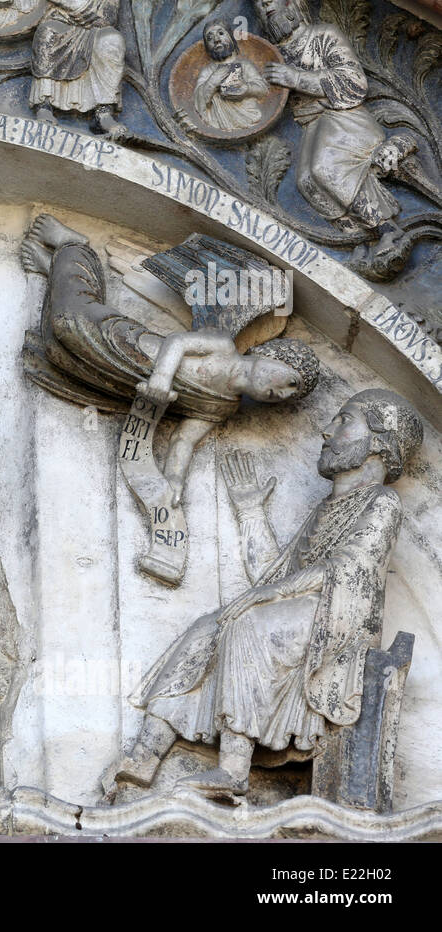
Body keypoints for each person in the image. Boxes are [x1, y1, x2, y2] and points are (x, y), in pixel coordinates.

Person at [102, 389, 422, 800]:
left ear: (379, 442)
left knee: (250, 623)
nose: (327, 431)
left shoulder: (382, 502)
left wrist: (260, 599)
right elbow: (274, 575)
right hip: (303, 613)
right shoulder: (323, 509)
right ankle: (145, 756)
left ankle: (233, 769)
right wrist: (251, 512)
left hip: (336, 624)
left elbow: (351, 566)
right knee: (207, 627)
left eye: (345, 420)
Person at [21, 213, 319, 506]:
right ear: (273, 355)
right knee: (69, 320)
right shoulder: (223, 346)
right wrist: (162, 378)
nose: (281, 394)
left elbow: (184, 441)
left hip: (118, 377)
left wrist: (174, 478)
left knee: (57, 352)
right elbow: (178, 342)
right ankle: (75, 247)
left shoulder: (220, 407)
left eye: (288, 396)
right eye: (291, 381)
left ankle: (55, 272)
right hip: (126, 343)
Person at [254, 0, 403, 252]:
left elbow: (354, 82)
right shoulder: (272, 56)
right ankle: (358, 238)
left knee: (325, 169)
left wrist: (297, 78)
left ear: (291, 3)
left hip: (346, 119)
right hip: (312, 125)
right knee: (305, 182)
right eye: (258, 2)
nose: (266, 3)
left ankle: (388, 229)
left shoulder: (322, 35)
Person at [29, 0, 125, 135]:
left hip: (94, 28)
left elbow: (109, 16)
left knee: (112, 40)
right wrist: (81, 10)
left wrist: (79, 9)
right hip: (60, 22)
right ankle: (44, 104)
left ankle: (103, 112)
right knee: (47, 32)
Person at [192, 18, 269, 133]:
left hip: (248, 116)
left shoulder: (245, 65)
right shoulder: (208, 71)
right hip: (220, 122)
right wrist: (213, 81)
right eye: (210, 38)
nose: (217, 40)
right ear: (207, 47)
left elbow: (263, 89)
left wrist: (246, 89)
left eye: (221, 33)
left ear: (232, 38)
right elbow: (199, 100)